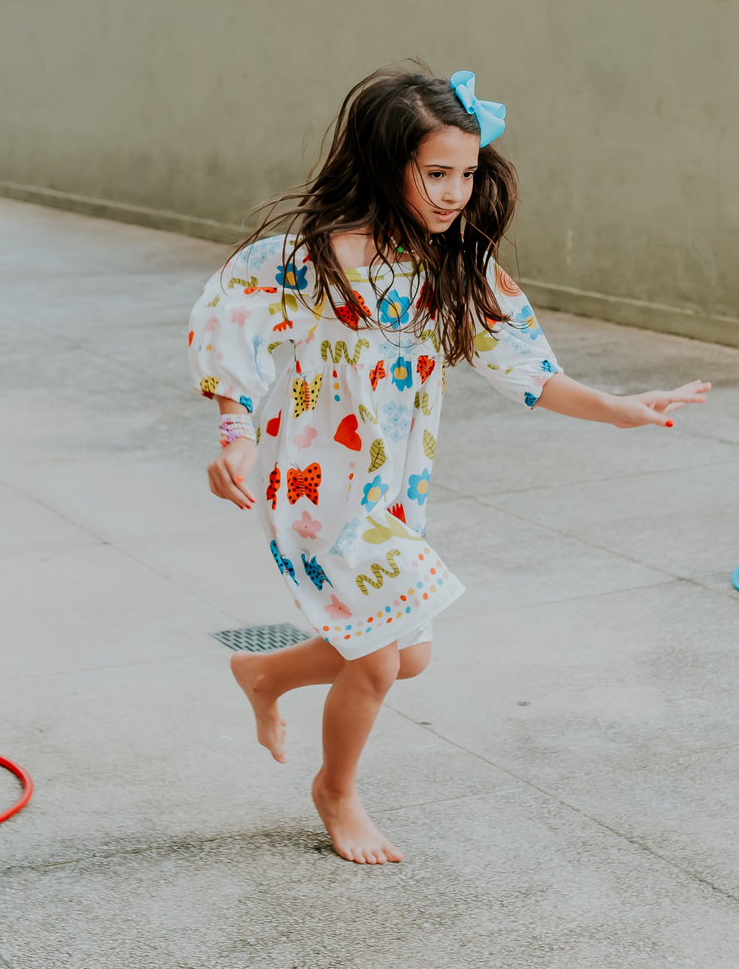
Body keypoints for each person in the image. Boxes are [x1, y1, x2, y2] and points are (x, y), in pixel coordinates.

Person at [188, 66, 710, 866]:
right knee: (376, 655)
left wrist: (619, 407)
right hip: (319, 488)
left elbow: (527, 368)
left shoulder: (456, 264)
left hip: (394, 493)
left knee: (409, 654)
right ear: (384, 162)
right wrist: (235, 431)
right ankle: (337, 791)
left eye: (467, 174)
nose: (455, 193)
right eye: (437, 173)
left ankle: (264, 673)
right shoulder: (316, 257)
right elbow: (230, 320)